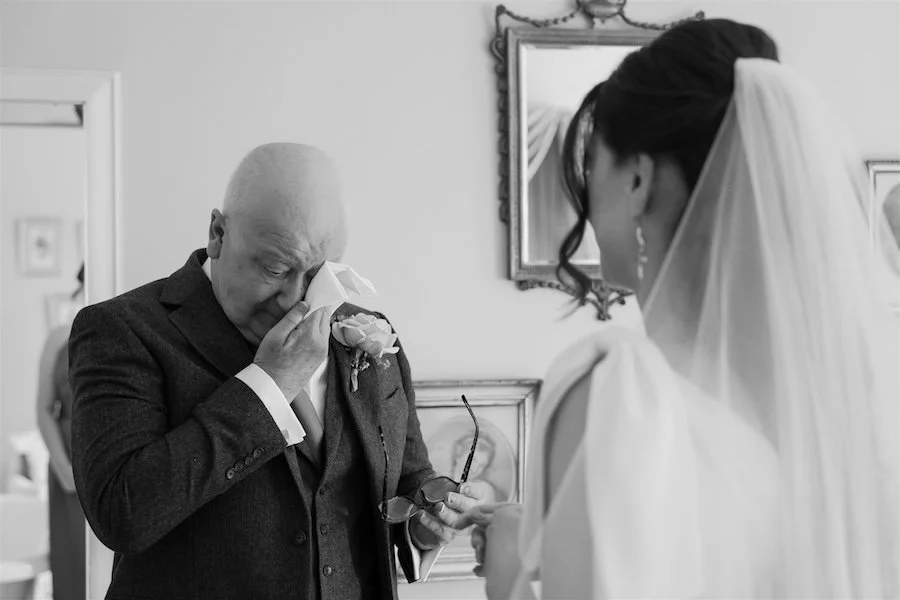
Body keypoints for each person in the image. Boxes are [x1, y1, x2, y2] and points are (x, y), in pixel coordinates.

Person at [458, 19, 900, 599]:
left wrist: (511, 560)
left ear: (638, 179)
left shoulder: (620, 393)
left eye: (595, 165)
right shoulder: (841, 399)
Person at [68, 143, 489, 600]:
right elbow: (121, 514)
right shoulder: (122, 330)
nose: (295, 300)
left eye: (317, 274)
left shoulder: (372, 332)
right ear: (217, 233)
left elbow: (405, 482)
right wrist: (269, 386)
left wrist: (423, 527)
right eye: (274, 268)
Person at [36, 264, 86, 600]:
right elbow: (44, 409)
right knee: (72, 567)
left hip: (102, 461)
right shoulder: (58, 338)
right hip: (65, 465)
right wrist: (64, 469)